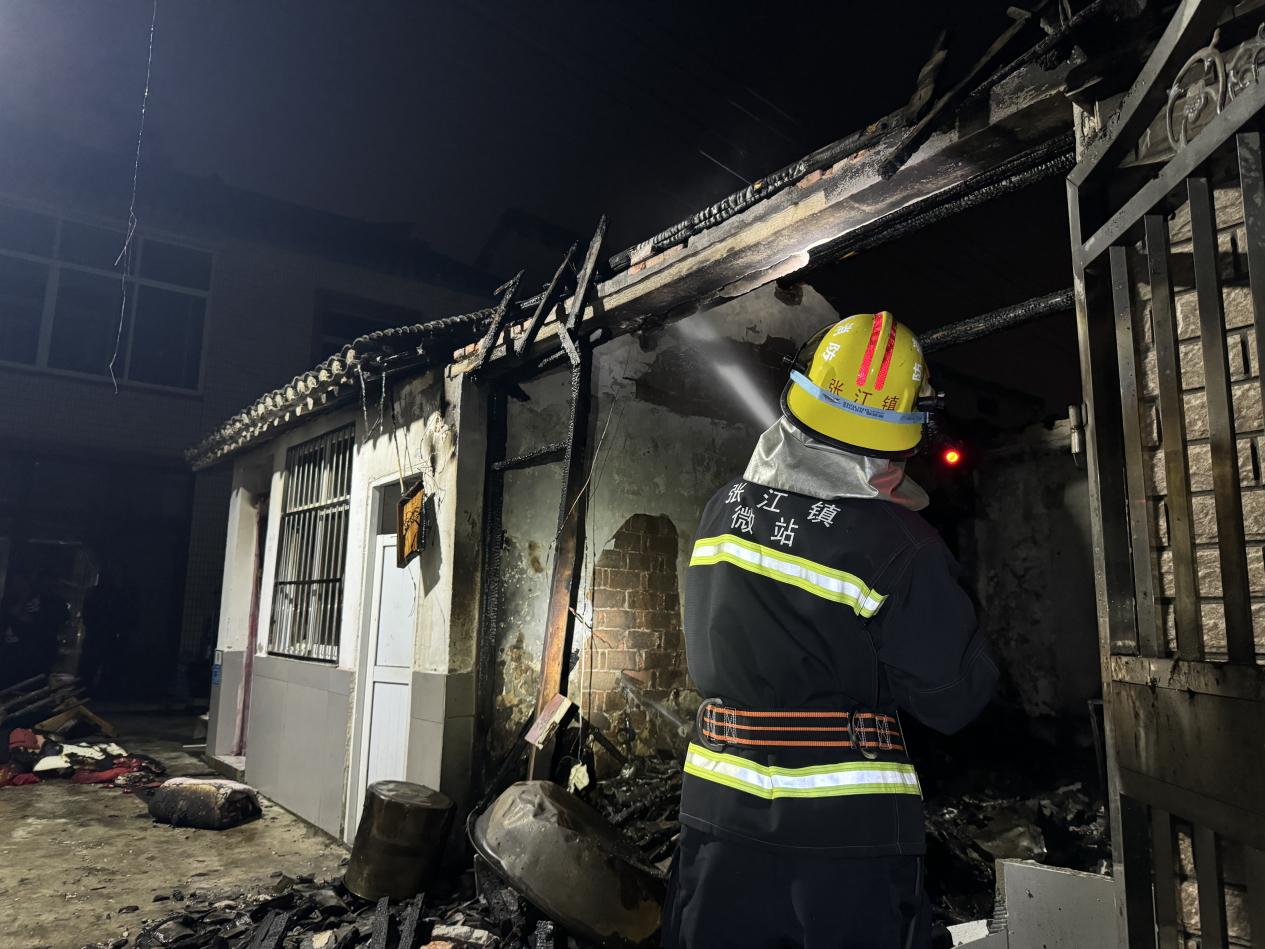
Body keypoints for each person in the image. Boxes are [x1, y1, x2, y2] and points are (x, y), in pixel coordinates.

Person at [662, 311, 999, 949]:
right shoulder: (901, 545)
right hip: (843, 843)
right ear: (903, 437)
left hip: (716, 817)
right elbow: (957, 698)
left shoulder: (721, 510)